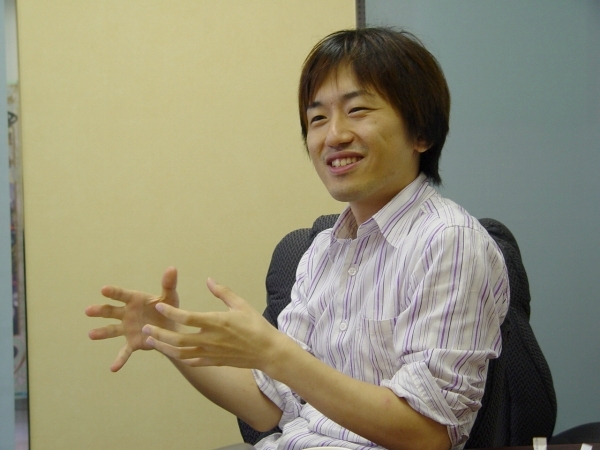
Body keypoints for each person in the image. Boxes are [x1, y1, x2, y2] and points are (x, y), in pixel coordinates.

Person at [86, 28, 509, 450]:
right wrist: (170, 337)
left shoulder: (449, 243)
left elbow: (426, 435)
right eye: (317, 118)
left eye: (358, 110)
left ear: (421, 133)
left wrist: (276, 353)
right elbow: (269, 407)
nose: (334, 136)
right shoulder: (323, 250)